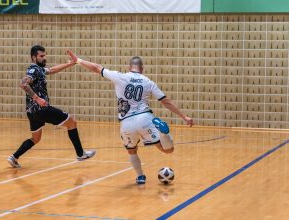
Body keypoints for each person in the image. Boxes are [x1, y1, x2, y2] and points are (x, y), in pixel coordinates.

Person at [67, 50, 194, 184]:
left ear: (129, 67)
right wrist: (184, 116)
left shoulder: (120, 76)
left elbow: (97, 67)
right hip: (144, 118)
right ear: (142, 69)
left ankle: (140, 176)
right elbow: (165, 101)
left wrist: (78, 61)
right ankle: (164, 134)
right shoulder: (148, 81)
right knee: (168, 150)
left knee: (132, 151)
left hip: (126, 123)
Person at [7, 45, 96, 168]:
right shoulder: (33, 70)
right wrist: (38, 99)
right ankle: (80, 154)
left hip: (32, 112)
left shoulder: (39, 69)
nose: (44, 58)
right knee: (72, 122)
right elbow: (23, 84)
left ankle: (14, 157)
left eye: (45, 55)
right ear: (34, 57)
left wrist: (71, 64)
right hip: (41, 109)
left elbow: (52, 70)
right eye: (41, 56)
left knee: (36, 138)